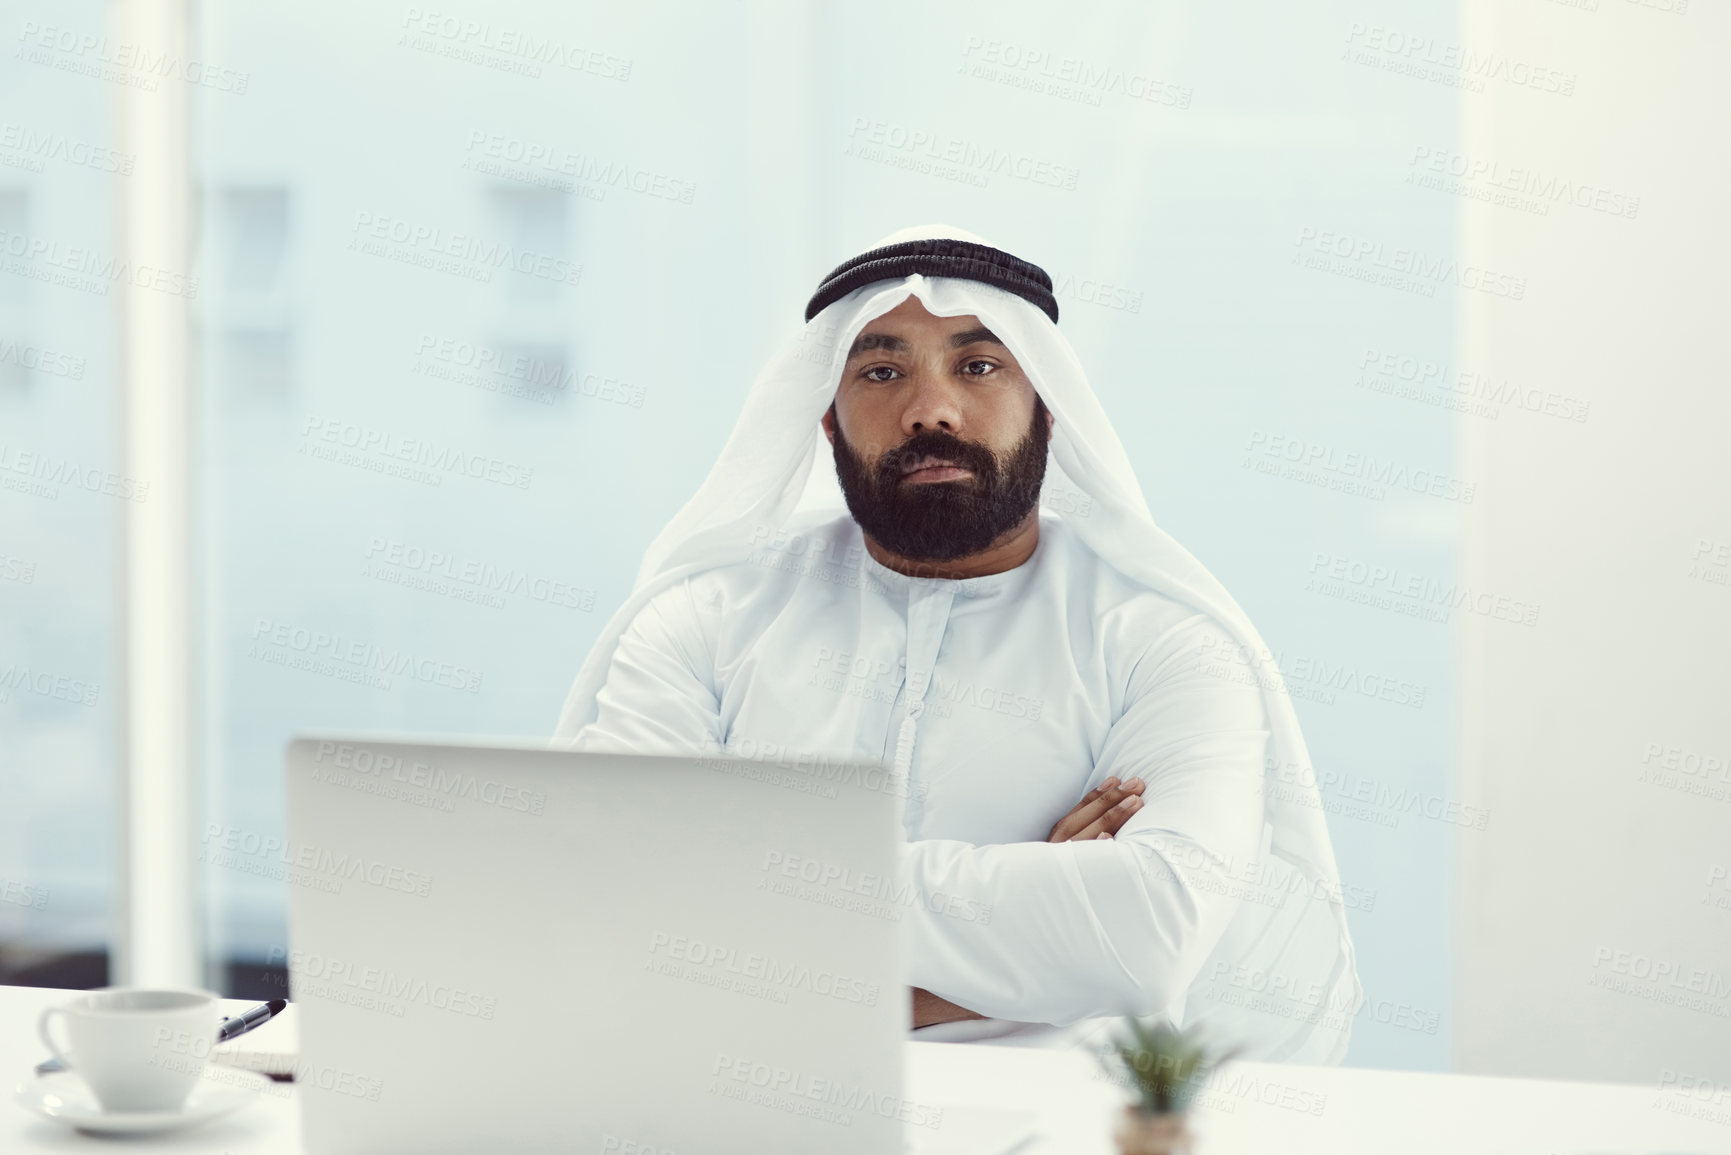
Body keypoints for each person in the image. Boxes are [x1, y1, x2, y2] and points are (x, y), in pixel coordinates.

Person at [554, 225, 1360, 1061]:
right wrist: (1031, 927)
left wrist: (743, 896)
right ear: (826, 420)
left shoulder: (1163, 639)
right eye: (880, 371)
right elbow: (614, 894)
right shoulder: (704, 617)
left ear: (1046, 406)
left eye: (977, 366)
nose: (930, 409)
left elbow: (1149, 932)